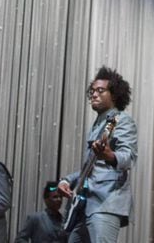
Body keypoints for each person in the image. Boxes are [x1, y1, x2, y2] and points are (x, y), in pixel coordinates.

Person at [58, 66, 138, 243]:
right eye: (92, 91)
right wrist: (66, 180)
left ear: (115, 95)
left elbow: (128, 157)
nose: (94, 94)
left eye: (100, 91)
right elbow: (90, 169)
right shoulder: (98, 125)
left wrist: (110, 156)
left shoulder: (121, 121)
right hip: (85, 204)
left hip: (106, 203)